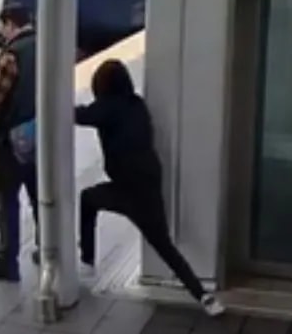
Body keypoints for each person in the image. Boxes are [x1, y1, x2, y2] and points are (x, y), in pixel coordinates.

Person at [76, 59, 225, 317]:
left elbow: (80, 115)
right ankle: (205, 298)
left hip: (126, 189)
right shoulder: (137, 104)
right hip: (148, 185)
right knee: (165, 246)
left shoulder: (107, 108)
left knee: (88, 199)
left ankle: (87, 261)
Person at [0, 5, 41, 283]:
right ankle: (48, 247)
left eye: (2, 27)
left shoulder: (11, 56)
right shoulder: (46, 45)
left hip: (12, 140)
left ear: (10, 24)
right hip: (42, 135)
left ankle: (7, 261)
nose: (1, 33)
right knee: (41, 196)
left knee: (8, 201)